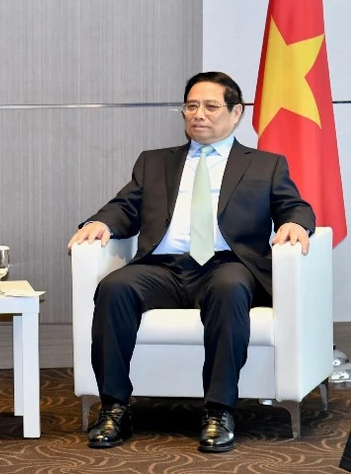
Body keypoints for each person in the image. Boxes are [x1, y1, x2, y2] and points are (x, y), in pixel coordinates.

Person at [67, 71, 315, 453]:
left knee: (230, 289)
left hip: (227, 265)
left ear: (236, 112)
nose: (199, 114)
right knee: (114, 288)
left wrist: (295, 223)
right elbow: (125, 206)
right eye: (191, 106)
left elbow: (293, 206)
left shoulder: (265, 165)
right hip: (162, 267)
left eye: (211, 106)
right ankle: (114, 409)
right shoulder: (154, 162)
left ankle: (219, 412)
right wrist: (101, 222)